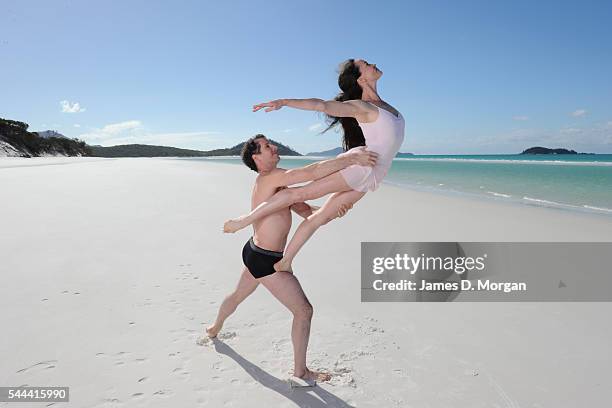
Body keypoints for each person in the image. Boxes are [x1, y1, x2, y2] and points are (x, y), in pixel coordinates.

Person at [206, 134, 377, 385]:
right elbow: (312, 172)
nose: (274, 147)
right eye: (267, 147)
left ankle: (214, 327)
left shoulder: (279, 186)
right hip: (266, 260)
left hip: (254, 251)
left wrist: (334, 210)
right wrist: (350, 159)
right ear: (257, 157)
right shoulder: (271, 177)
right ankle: (301, 372)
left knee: (238, 295)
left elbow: (307, 211)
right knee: (303, 311)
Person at [223, 59, 405, 273]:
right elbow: (321, 105)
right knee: (299, 194)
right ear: (361, 78)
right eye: (366, 64)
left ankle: (285, 261)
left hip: (375, 173)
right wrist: (283, 102)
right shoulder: (362, 107)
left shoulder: (385, 105)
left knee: (321, 217)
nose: (373, 63)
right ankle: (245, 220)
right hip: (361, 165)